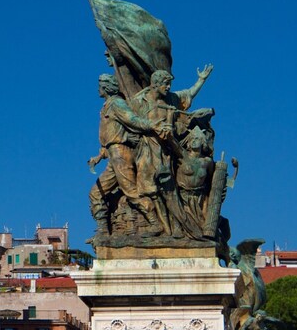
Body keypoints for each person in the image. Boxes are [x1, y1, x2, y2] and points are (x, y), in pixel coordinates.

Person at [131, 66, 212, 235]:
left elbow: (189, 93)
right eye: (165, 84)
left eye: (169, 84)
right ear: (155, 84)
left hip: (168, 150)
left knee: (169, 189)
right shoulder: (139, 101)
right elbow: (131, 122)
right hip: (147, 148)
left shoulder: (172, 99)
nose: (168, 88)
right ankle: (159, 225)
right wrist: (152, 128)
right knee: (149, 189)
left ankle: (176, 227)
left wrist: (201, 80)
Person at [88, 74, 168, 235]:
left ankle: (155, 223)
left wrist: (153, 125)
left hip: (121, 155)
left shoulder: (117, 103)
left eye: (101, 85)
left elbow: (133, 120)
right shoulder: (107, 106)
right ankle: (103, 230)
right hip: (113, 154)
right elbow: (110, 136)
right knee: (96, 193)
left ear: (107, 87)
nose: (98, 88)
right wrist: (99, 156)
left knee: (131, 192)